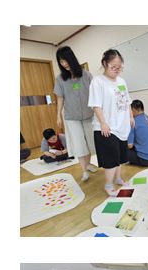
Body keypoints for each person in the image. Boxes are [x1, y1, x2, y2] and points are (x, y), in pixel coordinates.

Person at [88, 49, 134, 196]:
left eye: (119, 67)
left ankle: (118, 178)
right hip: (106, 127)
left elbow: (127, 102)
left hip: (122, 125)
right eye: (113, 67)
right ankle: (108, 184)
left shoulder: (122, 81)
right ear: (105, 64)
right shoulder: (98, 81)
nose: (117, 70)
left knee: (120, 157)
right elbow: (96, 105)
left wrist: (131, 117)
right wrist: (103, 122)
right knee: (111, 159)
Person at [54, 45, 98, 181]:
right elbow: (60, 98)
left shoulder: (86, 75)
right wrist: (58, 115)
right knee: (79, 144)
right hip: (71, 117)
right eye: (61, 62)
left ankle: (88, 164)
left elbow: (95, 94)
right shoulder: (60, 78)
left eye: (65, 60)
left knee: (89, 142)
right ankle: (84, 170)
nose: (64, 64)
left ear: (71, 58)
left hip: (88, 114)